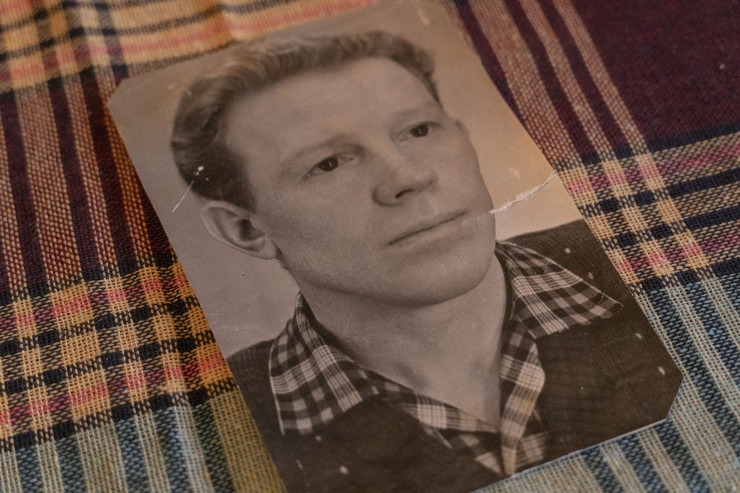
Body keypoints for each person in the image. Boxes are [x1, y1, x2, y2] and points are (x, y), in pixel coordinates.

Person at [170, 31, 681, 492]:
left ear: (462, 135)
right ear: (246, 229)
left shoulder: (646, 251)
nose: (410, 176)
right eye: (329, 163)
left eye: (418, 130)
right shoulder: (216, 421)